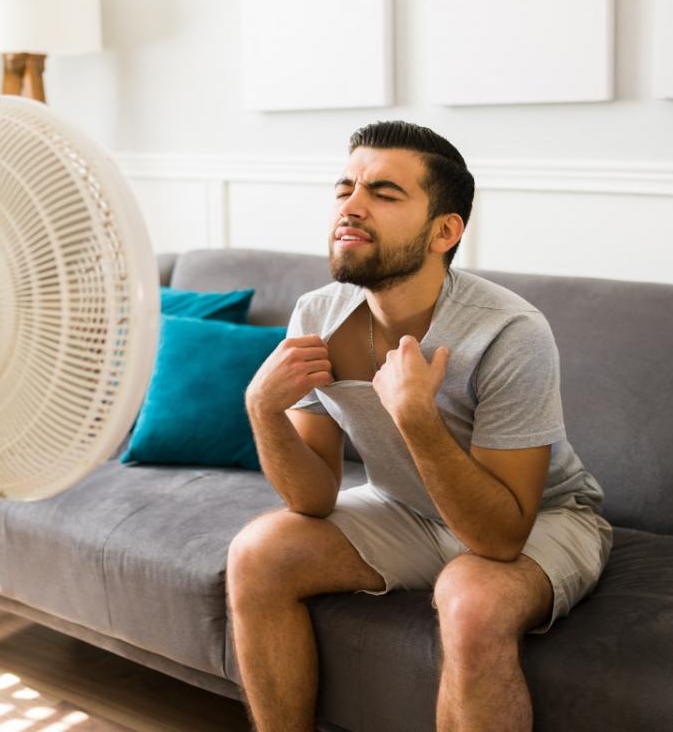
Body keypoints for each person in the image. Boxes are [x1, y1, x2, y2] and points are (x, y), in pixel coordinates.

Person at [230, 120, 611, 732]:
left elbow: (500, 538)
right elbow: (312, 498)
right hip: (405, 507)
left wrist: (416, 419)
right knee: (258, 552)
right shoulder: (316, 314)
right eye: (345, 187)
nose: (351, 207)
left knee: (473, 600)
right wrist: (263, 411)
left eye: (383, 193)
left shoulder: (510, 332)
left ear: (444, 231)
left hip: (543, 518)